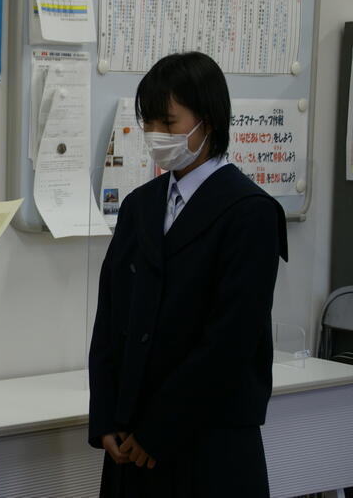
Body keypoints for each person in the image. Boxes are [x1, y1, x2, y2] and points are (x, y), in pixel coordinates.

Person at [88, 51, 288, 497]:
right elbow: (110, 319)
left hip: (208, 443)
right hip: (129, 438)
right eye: (149, 123)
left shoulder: (249, 212)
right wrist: (105, 417)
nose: (156, 134)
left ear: (208, 121)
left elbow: (230, 342)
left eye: (169, 122)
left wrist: (158, 429)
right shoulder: (140, 206)